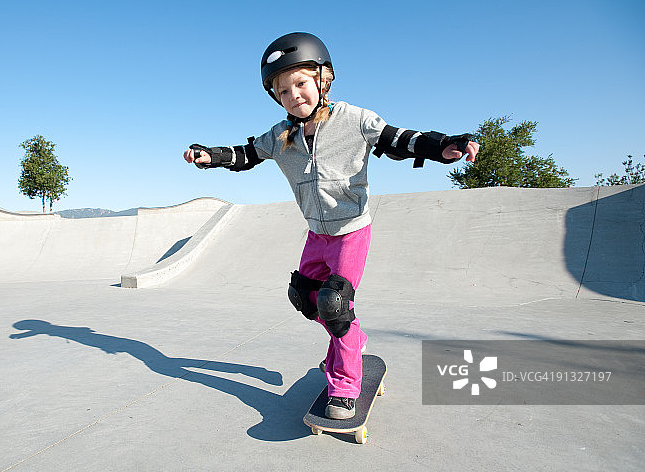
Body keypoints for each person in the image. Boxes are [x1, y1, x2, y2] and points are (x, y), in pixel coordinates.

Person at [182, 32, 479, 420]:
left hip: (351, 232)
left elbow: (400, 140)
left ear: (324, 80)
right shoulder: (280, 136)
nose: (294, 96)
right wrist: (213, 156)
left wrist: (442, 145)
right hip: (316, 235)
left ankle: (344, 385)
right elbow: (246, 155)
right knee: (305, 298)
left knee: (335, 306)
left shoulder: (355, 120)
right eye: (283, 91)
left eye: (301, 84)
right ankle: (351, 340)